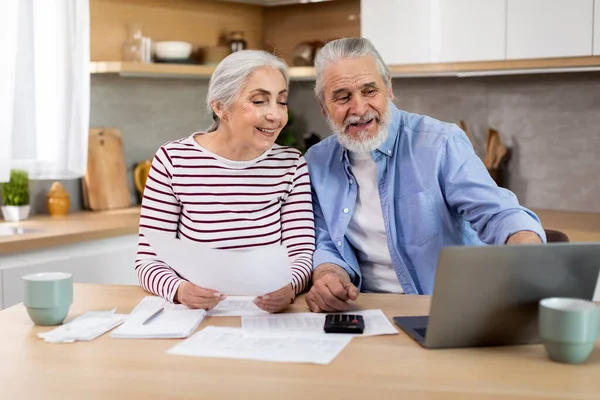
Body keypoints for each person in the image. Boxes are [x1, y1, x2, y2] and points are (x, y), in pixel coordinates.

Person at [304, 38, 545, 313]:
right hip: (364, 309)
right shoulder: (317, 161)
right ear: (324, 107)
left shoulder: (440, 143)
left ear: (389, 89)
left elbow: (496, 212)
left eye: (370, 91)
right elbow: (325, 241)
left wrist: (525, 244)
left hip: (445, 308)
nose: (359, 109)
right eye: (343, 96)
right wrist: (328, 275)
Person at [135, 50, 315, 313]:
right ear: (220, 107)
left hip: (267, 316)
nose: (276, 115)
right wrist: (180, 291)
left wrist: (288, 287)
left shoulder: (291, 164)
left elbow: (302, 253)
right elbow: (148, 260)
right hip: (198, 315)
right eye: (259, 101)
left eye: (281, 101)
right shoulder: (172, 160)